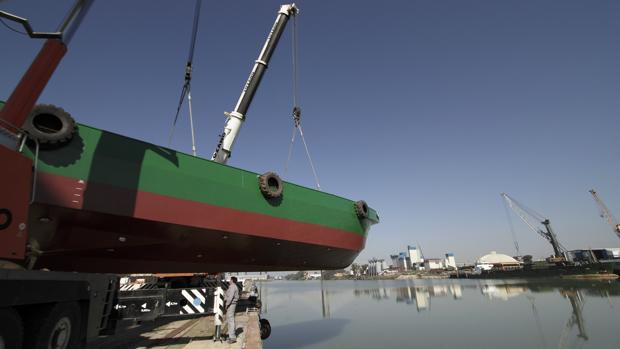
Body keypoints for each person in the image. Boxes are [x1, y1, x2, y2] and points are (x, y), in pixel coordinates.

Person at [225, 276, 240, 343]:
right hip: (232, 304)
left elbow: (230, 297)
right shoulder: (234, 286)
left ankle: (232, 337)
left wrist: (227, 304)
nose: (229, 281)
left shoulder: (232, 287)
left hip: (231, 304)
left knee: (230, 320)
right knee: (231, 319)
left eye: (230, 280)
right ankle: (232, 335)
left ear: (232, 280)